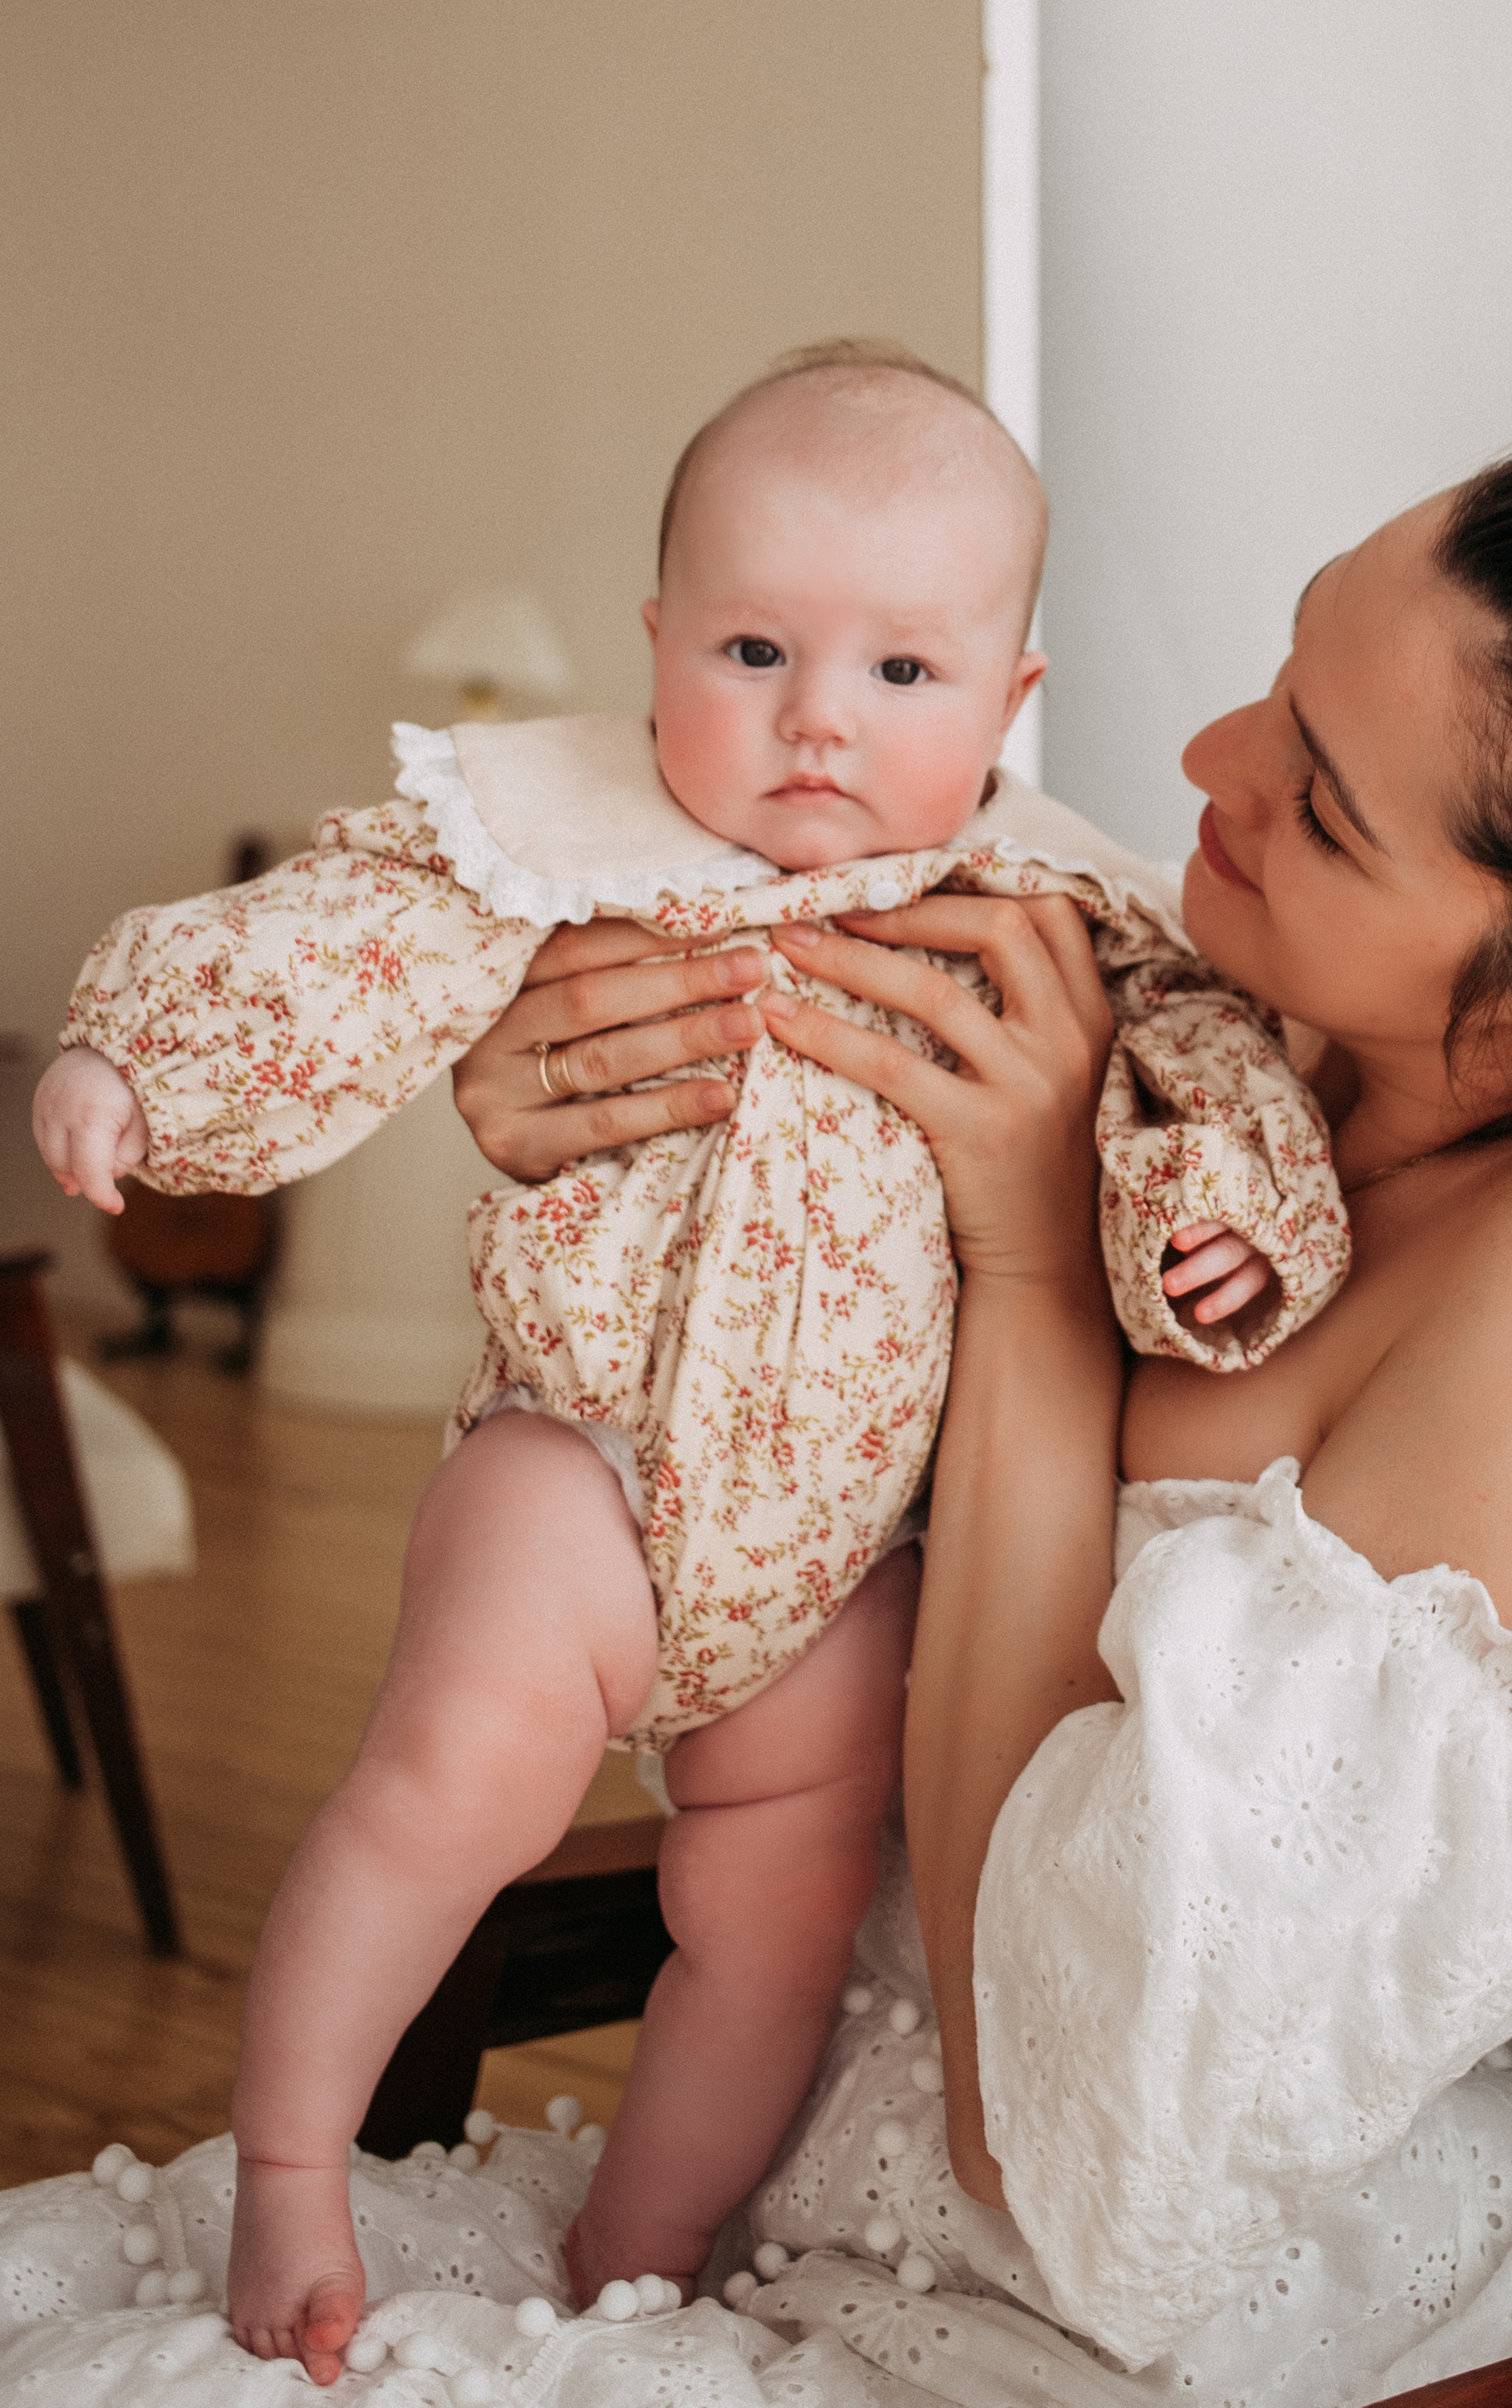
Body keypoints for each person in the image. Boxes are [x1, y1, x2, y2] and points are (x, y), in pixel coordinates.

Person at [447, 419, 1512, 2406]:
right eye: (1286, 671)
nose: (1202, 766)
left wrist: (1031, 1288)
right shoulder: (1227, 1052)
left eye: (1319, 806)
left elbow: (1073, 2156)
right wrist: (586, 1140)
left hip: (1171, 2325)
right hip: (784, 2152)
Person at [29, 345, 1346, 2383]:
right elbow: (342, 938)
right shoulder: (566, 840)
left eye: (902, 675)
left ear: (1009, 703)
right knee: (446, 1786)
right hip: (583, 1462)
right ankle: (290, 2159)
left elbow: (1204, 1073)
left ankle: (645, 2246)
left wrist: (1223, 1230)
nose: (817, 717)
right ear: (656, 648)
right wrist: (148, 1060)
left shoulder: (1061, 909)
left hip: (846, 1549)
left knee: (785, 1909)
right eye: (752, 647)